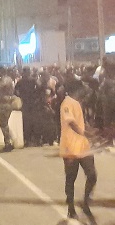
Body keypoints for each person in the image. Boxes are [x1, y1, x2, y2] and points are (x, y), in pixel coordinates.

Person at [61, 81, 97, 223]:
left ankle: (85, 202)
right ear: (76, 89)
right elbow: (70, 122)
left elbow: (79, 122)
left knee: (92, 174)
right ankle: (71, 208)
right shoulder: (67, 103)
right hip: (70, 146)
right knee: (71, 178)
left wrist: (90, 130)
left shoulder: (77, 103)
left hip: (83, 146)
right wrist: (84, 132)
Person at [0, 70, 16, 153]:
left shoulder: (0, 82)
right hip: (10, 103)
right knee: (6, 123)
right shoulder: (11, 80)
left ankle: (8, 143)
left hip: (2, 104)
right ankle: (10, 141)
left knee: (3, 125)